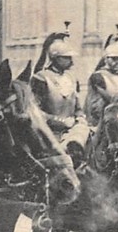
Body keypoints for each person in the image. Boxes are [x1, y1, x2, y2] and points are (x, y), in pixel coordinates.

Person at [30, 30, 88, 165]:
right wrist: (60, 121)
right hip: (49, 133)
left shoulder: (71, 78)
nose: (71, 60)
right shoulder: (41, 79)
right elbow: (35, 112)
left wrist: (80, 117)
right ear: (55, 58)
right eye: (66, 57)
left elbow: (78, 107)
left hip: (72, 132)